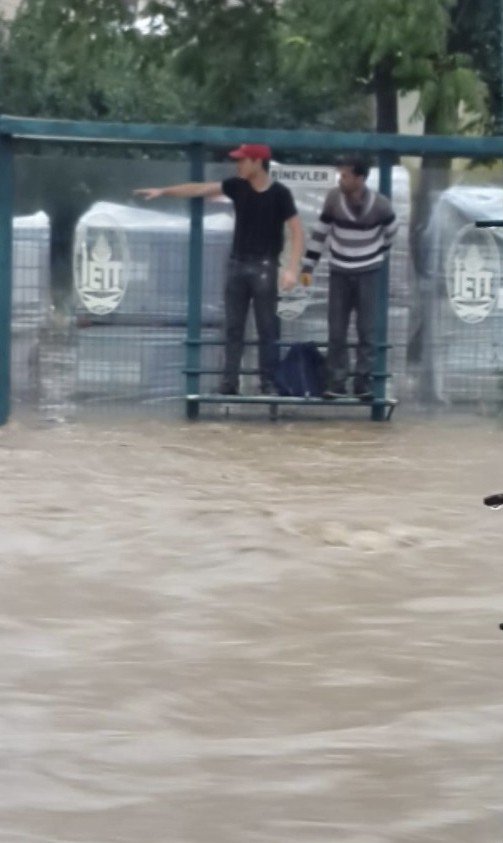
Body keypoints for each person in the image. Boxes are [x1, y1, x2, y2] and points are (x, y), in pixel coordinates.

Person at [134, 143, 303, 395]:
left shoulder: (280, 194)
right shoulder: (237, 186)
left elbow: (297, 231)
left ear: (258, 162)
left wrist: (292, 269)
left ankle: (268, 382)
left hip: (265, 266)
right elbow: (200, 188)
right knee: (234, 327)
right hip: (237, 264)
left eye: (243, 160)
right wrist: (164, 191)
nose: (238, 165)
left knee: (267, 327)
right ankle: (229, 382)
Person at [301, 154, 398, 401]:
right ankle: (337, 382)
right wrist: (308, 266)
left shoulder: (380, 205)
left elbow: (391, 232)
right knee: (336, 329)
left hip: (368, 272)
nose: (340, 180)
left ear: (360, 178)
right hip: (339, 271)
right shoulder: (334, 199)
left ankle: (363, 383)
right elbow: (320, 233)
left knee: (367, 329)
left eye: (345, 175)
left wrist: (376, 255)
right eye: (340, 175)